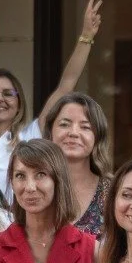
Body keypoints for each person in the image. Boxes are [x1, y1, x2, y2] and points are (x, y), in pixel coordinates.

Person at [0, 0, 103, 202]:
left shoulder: (31, 136)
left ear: (19, 103)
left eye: (8, 94)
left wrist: (86, 36)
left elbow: (66, 84)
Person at [46, 93, 113, 236]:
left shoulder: (114, 192)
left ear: (97, 137)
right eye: (64, 124)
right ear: (50, 133)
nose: (74, 133)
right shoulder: (33, 186)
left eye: (85, 127)